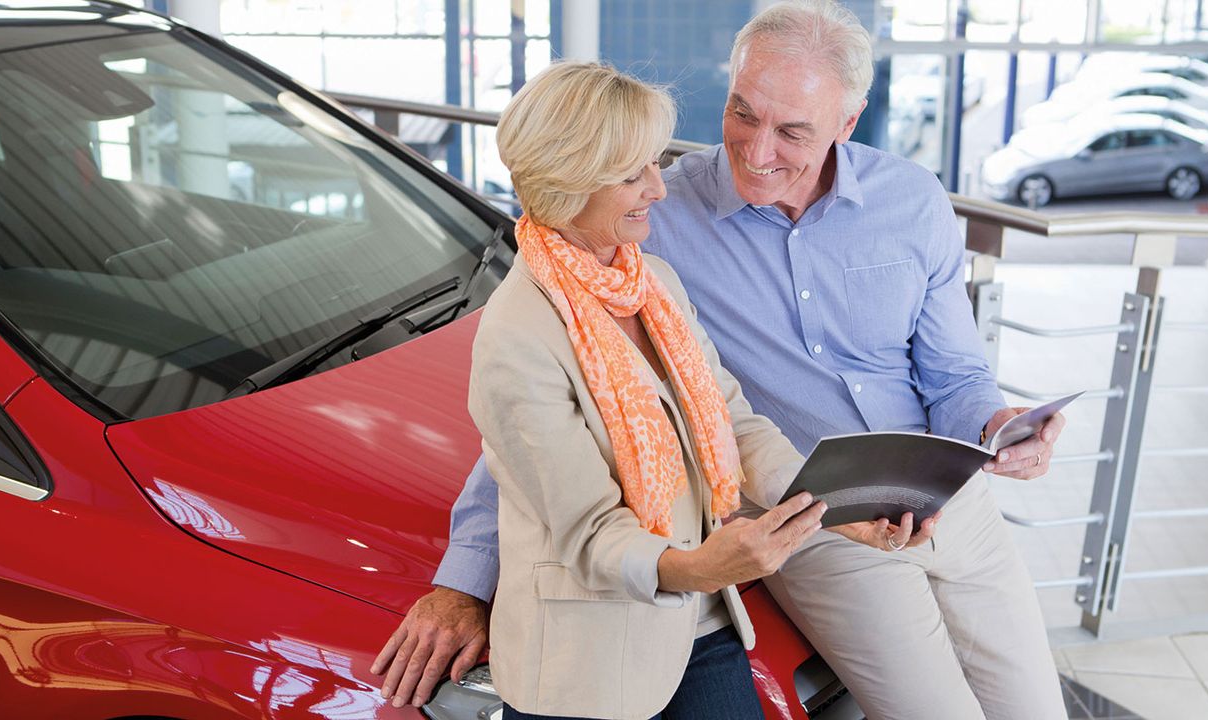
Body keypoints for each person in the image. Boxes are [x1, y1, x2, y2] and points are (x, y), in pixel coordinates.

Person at [372, 2, 1069, 719]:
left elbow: (953, 374)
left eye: (793, 131)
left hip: (949, 498)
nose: (758, 150)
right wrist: (467, 577)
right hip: (816, 523)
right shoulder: (655, 224)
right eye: (743, 114)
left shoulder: (912, 201)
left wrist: (998, 423)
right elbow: (544, 420)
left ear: (847, 123)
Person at [449, 60, 828, 719]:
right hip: (590, 665)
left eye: (656, 163)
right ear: (566, 182)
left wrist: (838, 499)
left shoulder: (651, 281)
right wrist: (702, 568)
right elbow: (590, 532)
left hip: (699, 622)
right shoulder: (517, 335)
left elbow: (733, 421)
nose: (658, 186)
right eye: (633, 173)